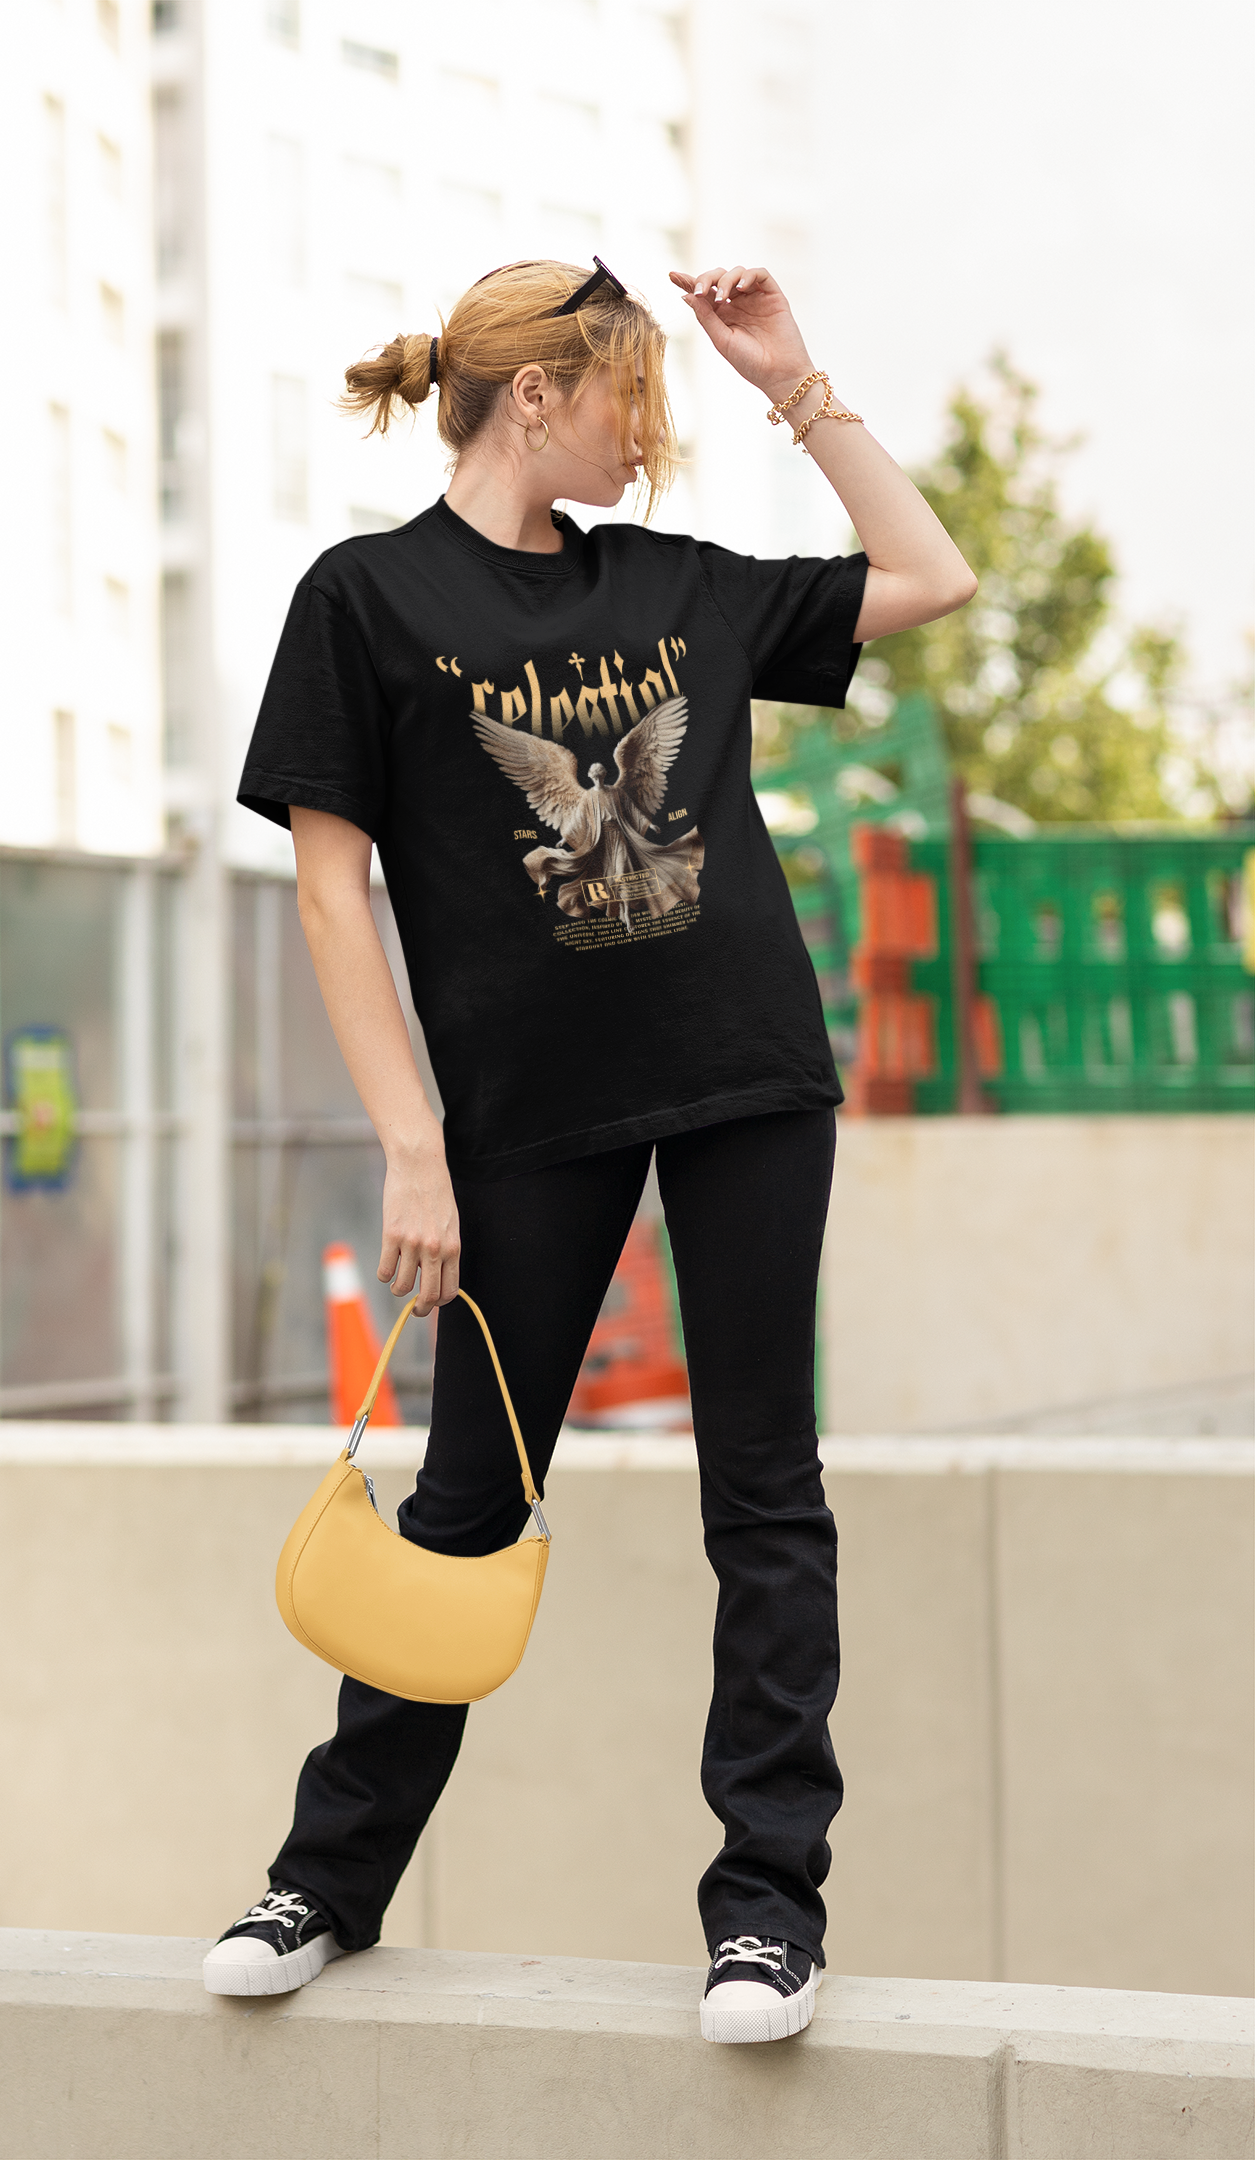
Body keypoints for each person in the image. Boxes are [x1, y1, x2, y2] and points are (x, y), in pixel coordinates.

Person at [207, 256, 976, 2043]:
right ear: (538, 394)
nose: (653, 432)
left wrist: (795, 381)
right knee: (467, 1503)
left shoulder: (682, 587)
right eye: (634, 392)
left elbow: (930, 575)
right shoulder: (366, 600)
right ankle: (330, 1881)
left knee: (763, 1493)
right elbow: (331, 892)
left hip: (745, 1079)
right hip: (519, 1124)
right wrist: (412, 1146)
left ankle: (767, 1911)